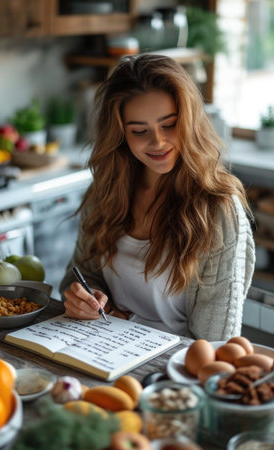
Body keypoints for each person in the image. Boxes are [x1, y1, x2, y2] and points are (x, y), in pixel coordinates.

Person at [60, 53, 255, 341]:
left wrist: (127, 322)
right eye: (139, 131)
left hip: (173, 374)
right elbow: (78, 275)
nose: (158, 142)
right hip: (102, 350)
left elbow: (216, 344)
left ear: (189, 121)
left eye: (169, 124)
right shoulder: (105, 191)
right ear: (120, 134)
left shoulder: (220, 210)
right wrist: (83, 298)